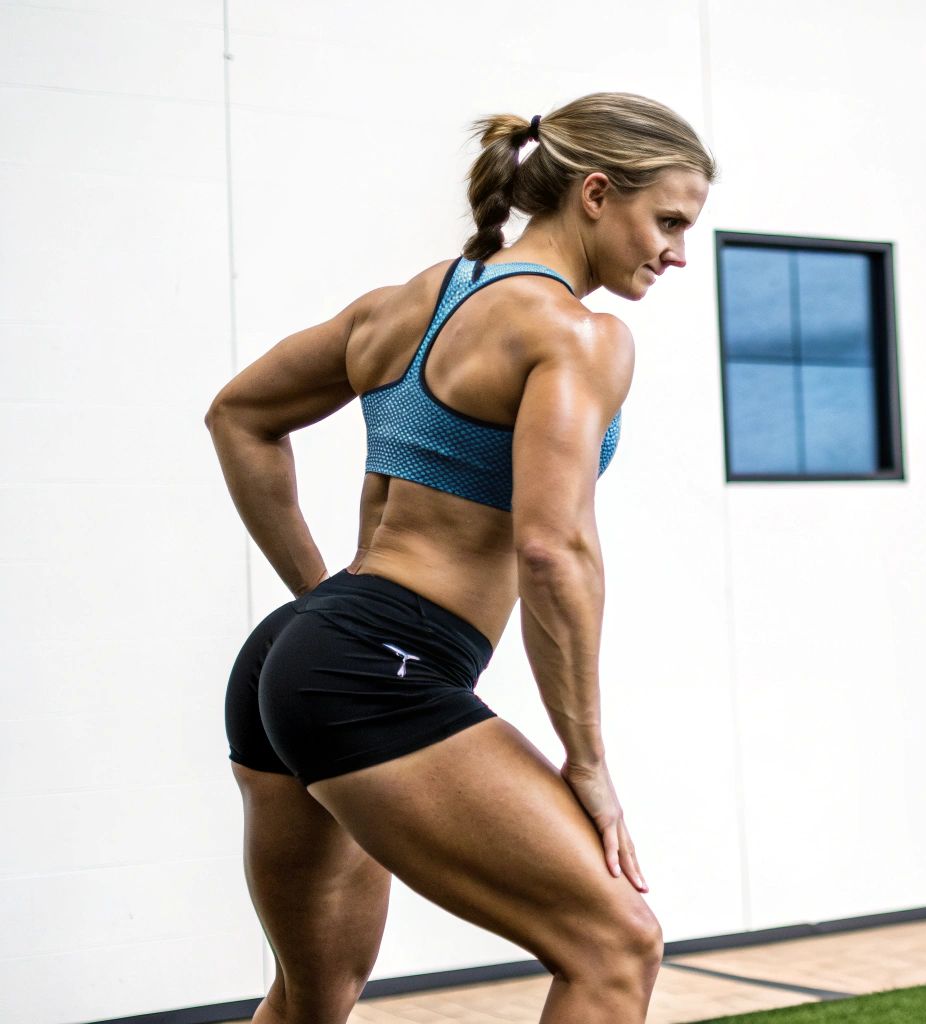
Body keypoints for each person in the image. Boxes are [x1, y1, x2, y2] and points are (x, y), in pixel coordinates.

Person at [205, 92, 715, 1024]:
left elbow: (238, 416)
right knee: (615, 945)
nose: (678, 251)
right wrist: (588, 763)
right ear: (596, 193)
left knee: (311, 998)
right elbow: (552, 549)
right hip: (374, 671)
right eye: (669, 221)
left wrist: (321, 602)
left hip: (300, 656)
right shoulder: (577, 333)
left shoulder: (408, 302)